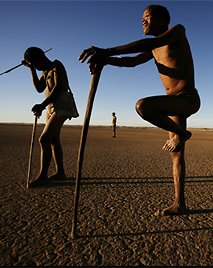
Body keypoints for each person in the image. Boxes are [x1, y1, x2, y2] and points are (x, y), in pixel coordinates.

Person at [79, 4, 200, 216]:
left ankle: (183, 134)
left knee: (143, 106)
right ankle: (180, 204)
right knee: (176, 154)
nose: (142, 21)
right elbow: (133, 61)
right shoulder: (153, 47)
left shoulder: (177, 31)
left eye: (147, 17)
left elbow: (154, 41)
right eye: (142, 18)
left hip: (187, 99)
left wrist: (108, 50)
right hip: (172, 104)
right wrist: (106, 61)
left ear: (162, 19)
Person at [22, 47, 79, 187]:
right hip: (51, 107)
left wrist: (41, 105)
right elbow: (40, 89)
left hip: (61, 106)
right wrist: (32, 70)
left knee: (44, 138)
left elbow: (59, 88)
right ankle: (60, 172)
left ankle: (43, 175)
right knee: (53, 139)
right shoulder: (44, 71)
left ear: (41, 57)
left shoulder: (56, 65)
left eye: (36, 64)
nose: (36, 66)